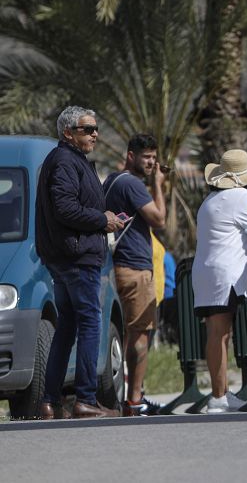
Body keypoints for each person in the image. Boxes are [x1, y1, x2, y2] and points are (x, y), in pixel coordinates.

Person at [36, 106, 124, 419]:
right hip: (76, 258)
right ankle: (85, 398)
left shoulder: (71, 160)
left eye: (95, 128)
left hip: (69, 256)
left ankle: (50, 400)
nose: (95, 134)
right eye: (87, 129)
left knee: (68, 326)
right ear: (68, 132)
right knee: (90, 323)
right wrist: (102, 219)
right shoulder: (64, 161)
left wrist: (105, 218)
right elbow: (65, 208)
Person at [192, 149, 247, 414]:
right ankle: (217, 397)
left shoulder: (210, 200)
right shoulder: (239, 196)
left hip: (206, 273)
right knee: (219, 333)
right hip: (225, 275)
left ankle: (222, 393)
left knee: (218, 333)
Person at [102, 132, 167, 416]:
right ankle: (134, 400)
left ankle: (130, 397)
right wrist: (159, 186)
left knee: (128, 333)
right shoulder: (131, 183)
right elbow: (159, 219)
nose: (152, 163)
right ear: (131, 156)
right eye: (147, 157)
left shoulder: (113, 182)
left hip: (120, 266)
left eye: (154, 157)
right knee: (140, 334)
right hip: (135, 268)